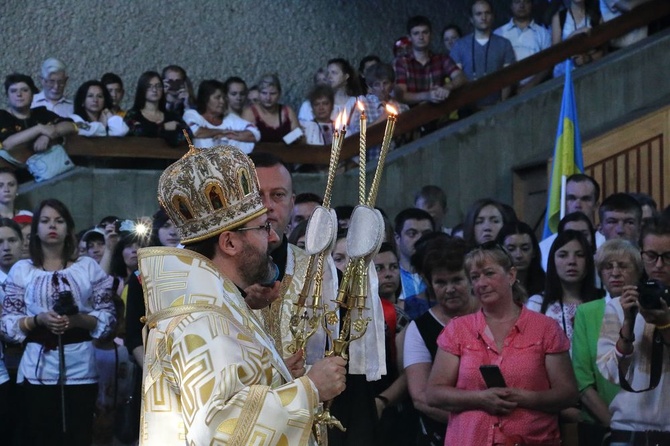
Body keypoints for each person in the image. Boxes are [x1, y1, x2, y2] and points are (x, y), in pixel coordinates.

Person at [139, 144, 347, 444]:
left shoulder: (215, 305)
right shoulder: (202, 321)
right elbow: (220, 430)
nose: (273, 236)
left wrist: (274, 377)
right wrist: (310, 390)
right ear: (230, 243)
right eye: (262, 228)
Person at [426, 242, 578, 445]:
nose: (481, 283)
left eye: (489, 273)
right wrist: (480, 399)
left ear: (511, 275)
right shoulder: (458, 329)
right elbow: (434, 393)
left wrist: (522, 398)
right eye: (475, 277)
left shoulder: (545, 328)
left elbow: (567, 394)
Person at [0, 198, 115, 446]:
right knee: (39, 435)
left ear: (68, 228)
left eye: (59, 221)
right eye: (45, 221)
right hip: (36, 366)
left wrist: (78, 320)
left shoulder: (87, 268)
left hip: (81, 367)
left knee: (78, 433)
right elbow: (8, 322)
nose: (52, 225)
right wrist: (37, 320)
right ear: (36, 228)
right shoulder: (22, 270)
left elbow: (108, 314)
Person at [597, 217, 670, 445]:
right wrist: (628, 324)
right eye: (651, 256)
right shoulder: (619, 305)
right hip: (628, 431)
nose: (658, 265)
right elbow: (610, 374)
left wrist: (666, 325)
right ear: (641, 255)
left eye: (667, 257)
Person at [403, 236, 477, 446]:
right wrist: (475, 424)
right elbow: (420, 397)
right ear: (429, 283)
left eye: (456, 280)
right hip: (443, 436)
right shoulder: (419, 329)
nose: (450, 289)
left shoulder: (492, 315)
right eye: (441, 282)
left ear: (471, 278)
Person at [571, 239, 639, 444]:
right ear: (600, 274)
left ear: (638, 271)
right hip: (600, 428)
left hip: (648, 423)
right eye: (608, 267)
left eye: (623, 266)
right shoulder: (586, 312)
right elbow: (582, 381)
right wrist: (616, 426)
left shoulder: (651, 311)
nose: (615, 273)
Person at [527, 230, 598, 342]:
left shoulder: (601, 301)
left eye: (580, 255)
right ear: (552, 260)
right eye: (563, 255)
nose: (572, 261)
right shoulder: (537, 303)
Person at [0, 73, 77, 168]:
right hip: (12, 175)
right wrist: (39, 129)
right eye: (13, 91)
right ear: (7, 95)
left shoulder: (41, 113)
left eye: (24, 90)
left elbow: (70, 125)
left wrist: (46, 136)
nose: (19, 94)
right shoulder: (2, 116)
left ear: (33, 94)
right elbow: (8, 144)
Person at [450, 0, 516, 107]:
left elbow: (508, 77)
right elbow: (455, 78)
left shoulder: (504, 44)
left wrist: (502, 104)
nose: (483, 17)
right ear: (471, 19)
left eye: (487, 13)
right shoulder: (459, 46)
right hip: (467, 109)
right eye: (478, 14)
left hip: (497, 106)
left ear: (492, 16)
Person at [393, 16, 466, 106]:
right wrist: (427, 96)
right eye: (416, 33)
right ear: (409, 38)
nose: (421, 37)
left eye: (425, 32)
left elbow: (461, 77)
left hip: (440, 113)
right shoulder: (401, 62)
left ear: (431, 35)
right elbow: (400, 95)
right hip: (413, 115)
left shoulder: (441, 58)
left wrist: (447, 87)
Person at [539, 173, 604, 270]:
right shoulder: (544, 247)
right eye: (571, 198)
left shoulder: (605, 244)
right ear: (563, 202)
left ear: (596, 205)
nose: (577, 204)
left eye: (585, 199)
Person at [348, 63, 410, 162]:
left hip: (398, 159)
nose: (382, 88)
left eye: (385, 83)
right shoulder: (363, 107)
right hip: (373, 161)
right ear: (370, 87)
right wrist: (383, 118)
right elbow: (356, 137)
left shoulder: (402, 107)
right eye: (377, 84)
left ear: (392, 84)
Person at [183, 79, 259, 153]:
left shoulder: (230, 118)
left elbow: (255, 133)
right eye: (217, 97)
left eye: (224, 97)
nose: (222, 101)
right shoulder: (192, 114)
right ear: (205, 99)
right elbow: (195, 132)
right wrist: (223, 131)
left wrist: (230, 135)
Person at [495, 0, 552, 94]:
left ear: (531, 4)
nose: (521, 5)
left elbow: (548, 65)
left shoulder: (543, 34)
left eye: (526, 1)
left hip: (534, 91)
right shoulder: (499, 33)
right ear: (511, 5)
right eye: (517, 1)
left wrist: (529, 86)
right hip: (503, 93)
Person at [124, 71, 190, 147]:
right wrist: (165, 127)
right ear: (142, 89)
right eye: (149, 86)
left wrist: (153, 130)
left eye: (158, 86)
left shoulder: (172, 116)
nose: (154, 90)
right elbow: (138, 132)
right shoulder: (133, 114)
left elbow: (188, 134)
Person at [394, 208, 435, 309]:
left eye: (426, 234)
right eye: (412, 234)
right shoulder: (390, 274)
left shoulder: (442, 274)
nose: (419, 239)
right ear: (397, 238)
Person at [551, 0, 604, 78]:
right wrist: (576, 33)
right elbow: (554, 54)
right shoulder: (559, 17)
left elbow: (602, 50)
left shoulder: (596, 15)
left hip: (590, 71)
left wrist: (587, 58)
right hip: (564, 74)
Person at [241, 74, 300, 143]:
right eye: (264, 93)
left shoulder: (288, 112)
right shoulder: (250, 112)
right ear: (259, 93)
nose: (268, 98)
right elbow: (243, 141)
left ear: (279, 94)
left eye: (273, 93)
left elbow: (298, 137)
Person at [497, 220, 546, 297]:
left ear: (534, 252)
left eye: (525, 248)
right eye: (511, 249)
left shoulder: (547, 286)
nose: (518, 255)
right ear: (500, 252)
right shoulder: (493, 286)